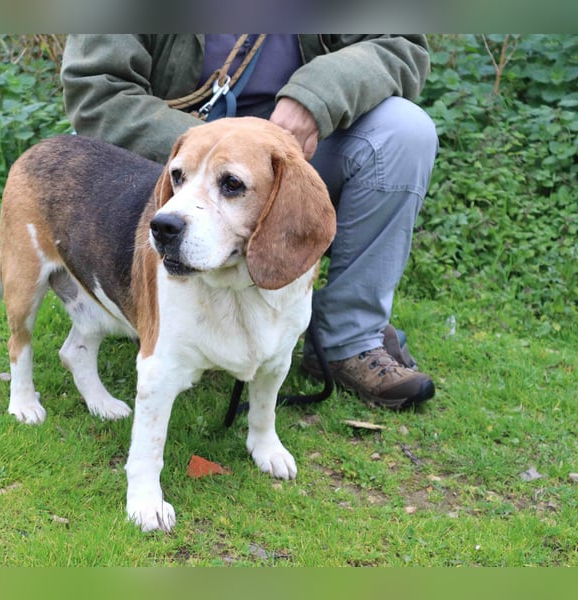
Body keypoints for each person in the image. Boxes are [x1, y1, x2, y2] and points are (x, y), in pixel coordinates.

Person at [60, 34, 438, 409]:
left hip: (300, 143)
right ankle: (156, 311)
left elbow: (398, 43)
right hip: (175, 142)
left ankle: (348, 340)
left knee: (404, 132)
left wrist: (315, 97)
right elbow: (96, 91)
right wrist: (208, 147)